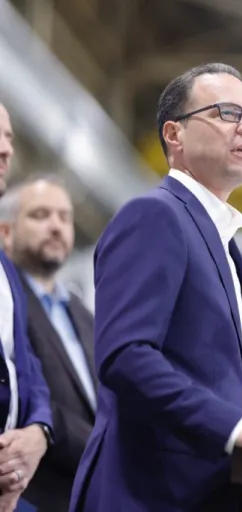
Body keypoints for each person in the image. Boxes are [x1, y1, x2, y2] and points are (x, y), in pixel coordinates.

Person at [69, 63, 242, 512]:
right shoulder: (155, 216)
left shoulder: (222, 242)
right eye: (228, 113)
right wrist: (237, 427)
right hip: (143, 494)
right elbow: (125, 356)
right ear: (175, 134)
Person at [0, 174, 96, 511]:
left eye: (64, 217)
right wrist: (107, 450)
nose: (56, 226)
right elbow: (27, 399)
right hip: (34, 497)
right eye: (40, 215)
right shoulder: (6, 308)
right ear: (5, 232)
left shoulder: (82, 313)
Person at [0, 104, 55, 512]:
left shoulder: (6, 267)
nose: (5, 150)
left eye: (10, 138)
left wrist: (39, 432)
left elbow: (27, 367)